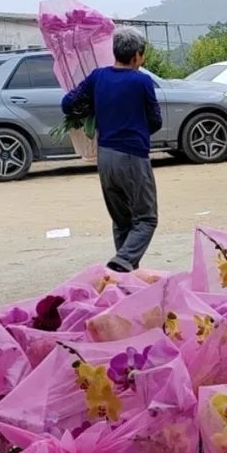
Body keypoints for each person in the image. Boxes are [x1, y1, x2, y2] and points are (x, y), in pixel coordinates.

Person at [62, 27, 162, 273]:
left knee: (122, 220)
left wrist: (93, 109)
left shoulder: (98, 77)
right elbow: (155, 120)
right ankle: (123, 261)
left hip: (105, 156)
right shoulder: (142, 81)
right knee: (146, 218)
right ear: (137, 55)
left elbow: (67, 104)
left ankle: (126, 276)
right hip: (132, 156)